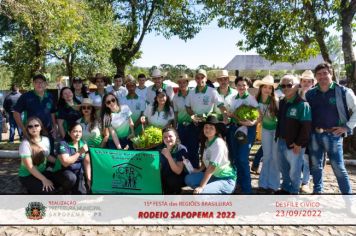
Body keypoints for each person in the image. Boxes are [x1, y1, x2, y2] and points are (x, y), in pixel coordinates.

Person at [306, 62, 356, 194]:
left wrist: (347, 127)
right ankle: (318, 191)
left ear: (331, 74)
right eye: (319, 74)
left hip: (333, 135)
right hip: (315, 135)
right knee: (316, 166)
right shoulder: (310, 94)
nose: (322, 76)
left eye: (325, 73)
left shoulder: (343, 91)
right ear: (316, 77)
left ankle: (348, 197)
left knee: (338, 167)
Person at [275, 74, 312, 194]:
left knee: (294, 171)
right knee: (283, 169)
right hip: (281, 141)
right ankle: (285, 188)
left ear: (297, 86)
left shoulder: (303, 105)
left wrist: (299, 143)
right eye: (283, 85)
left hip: (294, 144)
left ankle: (294, 192)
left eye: (289, 85)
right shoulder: (282, 102)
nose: (285, 88)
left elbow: (306, 127)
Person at [185, 69, 227, 168]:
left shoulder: (212, 91)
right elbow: (187, 107)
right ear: (195, 79)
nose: (200, 80)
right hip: (195, 123)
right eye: (198, 78)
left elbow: (221, 105)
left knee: (206, 148)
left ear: (206, 78)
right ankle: (195, 169)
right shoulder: (191, 92)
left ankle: (207, 170)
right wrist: (192, 116)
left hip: (207, 124)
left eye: (202, 77)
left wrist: (225, 117)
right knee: (193, 148)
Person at [184, 115, 236, 194]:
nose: (208, 130)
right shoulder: (207, 142)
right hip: (213, 176)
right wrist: (199, 170)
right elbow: (206, 159)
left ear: (216, 130)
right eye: (206, 127)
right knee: (188, 179)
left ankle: (214, 195)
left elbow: (211, 167)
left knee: (201, 192)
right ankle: (210, 191)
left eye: (211, 127)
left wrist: (201, 187)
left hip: (225, 179)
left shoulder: (218, 143)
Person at [227, 76, 258, 194]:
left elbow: (257, 115)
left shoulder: (251, 99)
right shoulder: (233, 98)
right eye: (239, 85)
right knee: (235, 159)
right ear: (235, 86)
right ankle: (239, 184)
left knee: (242, 158)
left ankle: (247, 189)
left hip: (247, 130)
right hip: (234, 129)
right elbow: (231, 114)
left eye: (244, 85)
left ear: (248, 86)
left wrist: (252, 122)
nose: (241, 87)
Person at [253, 75, 280, 193]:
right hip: (265, 129)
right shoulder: (255, 100)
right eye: (265, 87)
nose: (267, 90)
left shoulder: (276, 100)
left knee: (275, 157)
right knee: (267, 156)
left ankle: (273, 185)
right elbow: (257, 117)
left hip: (276, 130)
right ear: (261, 88)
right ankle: (263, 183)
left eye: (270, 88)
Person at [14, 74, 57, 146]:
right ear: (33, 84)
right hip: (32, 132)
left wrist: (55, 127)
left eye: (41, 82)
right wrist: (24, 130)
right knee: (34, 155)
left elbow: (52, 112)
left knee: (50, 154)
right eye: (36, 82)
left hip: (48, 132)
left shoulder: (50, 96)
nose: (39, 84)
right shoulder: (26, 96)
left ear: (45, 84)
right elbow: (16, 113)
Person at [18, 117, 57, 194]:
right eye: (30, 126)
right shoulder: (25, 144)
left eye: (36, 125)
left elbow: (47, 156)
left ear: (41, 127)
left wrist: (59, 162)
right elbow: (30, 167)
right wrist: (44, 179)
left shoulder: (46, 139)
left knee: (63, 180)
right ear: (27, 129)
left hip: (42, 172)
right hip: (27, 175)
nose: (34, 128)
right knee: (50, 192)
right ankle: (28, 189)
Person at [55, 122, 91, 194]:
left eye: (80, 132)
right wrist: (79, 152)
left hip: (78, 173)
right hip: (62, 172)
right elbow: (65, 163)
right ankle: (62, 190)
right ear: (69, 132)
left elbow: (87, 162)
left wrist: (88, 179)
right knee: (71, 178)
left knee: (82, 194)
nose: (78, 134)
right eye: (75, 131)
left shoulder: (83, 143)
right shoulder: (63, 143)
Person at [298, 70, 316, 193]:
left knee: (307, 157)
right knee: (298, 157)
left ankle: (306, 181)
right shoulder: (296, 94)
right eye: (304, 81)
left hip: (312, 130)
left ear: (313, 83)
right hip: (297, 130)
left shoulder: (315, 94)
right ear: (301, 82)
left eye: (309, 81)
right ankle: (298, 179)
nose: (306, 83)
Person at [160, 127, 188, 194]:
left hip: (176, 184)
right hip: (164, 184)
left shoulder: (181, 149)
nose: (168, 139)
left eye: (170, 136)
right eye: (165, 137)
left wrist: (169, 156)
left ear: (176, 137)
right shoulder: (162, 149)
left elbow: (178, 171)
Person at [172, 74, 193, 151]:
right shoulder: (175, 97)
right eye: (180, 83)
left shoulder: (193, 93)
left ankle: (194, 163)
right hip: (181, 127)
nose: (182, 84)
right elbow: (175, 113)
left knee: (193, 148)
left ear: (187, 83)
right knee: (182, 148)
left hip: (193, 125)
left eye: (184, 82)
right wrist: (175, 128)